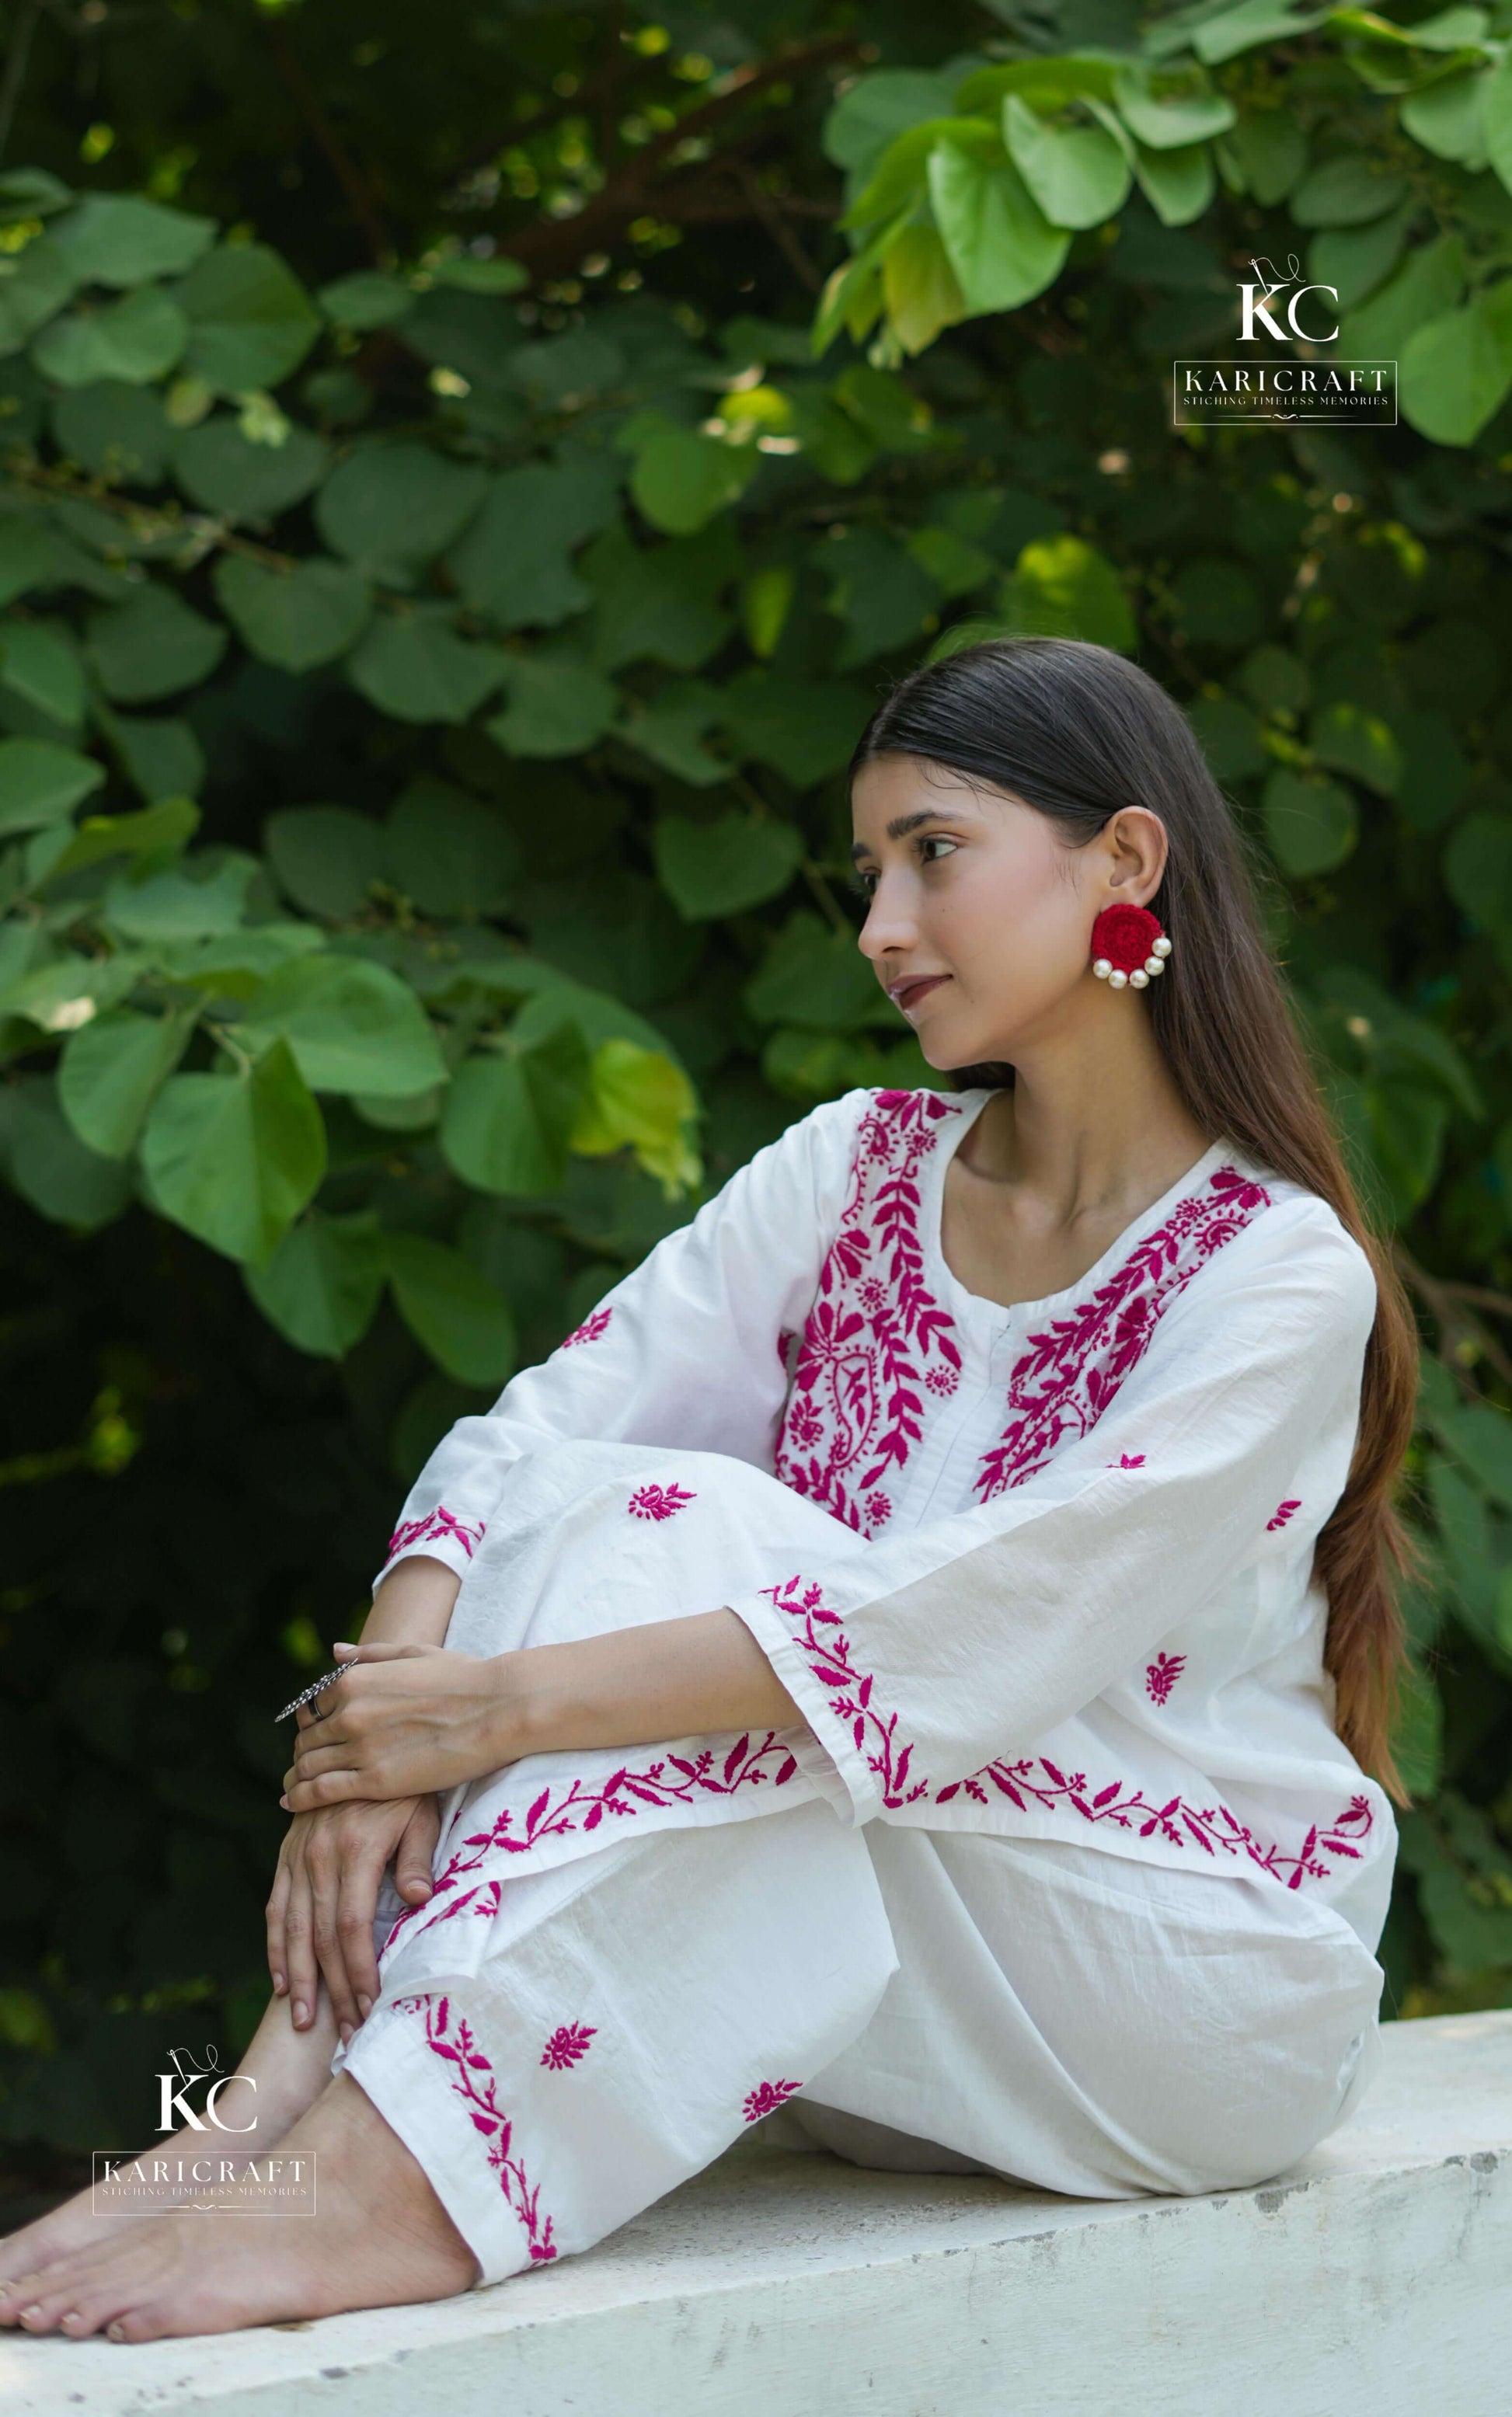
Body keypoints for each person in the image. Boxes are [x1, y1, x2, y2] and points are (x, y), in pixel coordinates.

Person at [0, 634, 1420, 2343]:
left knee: (699, 1539)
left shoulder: (1273, 1277)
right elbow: (538, 1434)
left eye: (935, 852)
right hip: (853, 1989)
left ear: (1122, 861)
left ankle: (366, 2174)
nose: (884, 924)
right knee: (608, 1500)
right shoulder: (852, 1166)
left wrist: (489, 1712)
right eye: (870, 869)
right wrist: (376, 1734)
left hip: (1177, 1989)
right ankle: (274, 2103)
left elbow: (961, 1624)